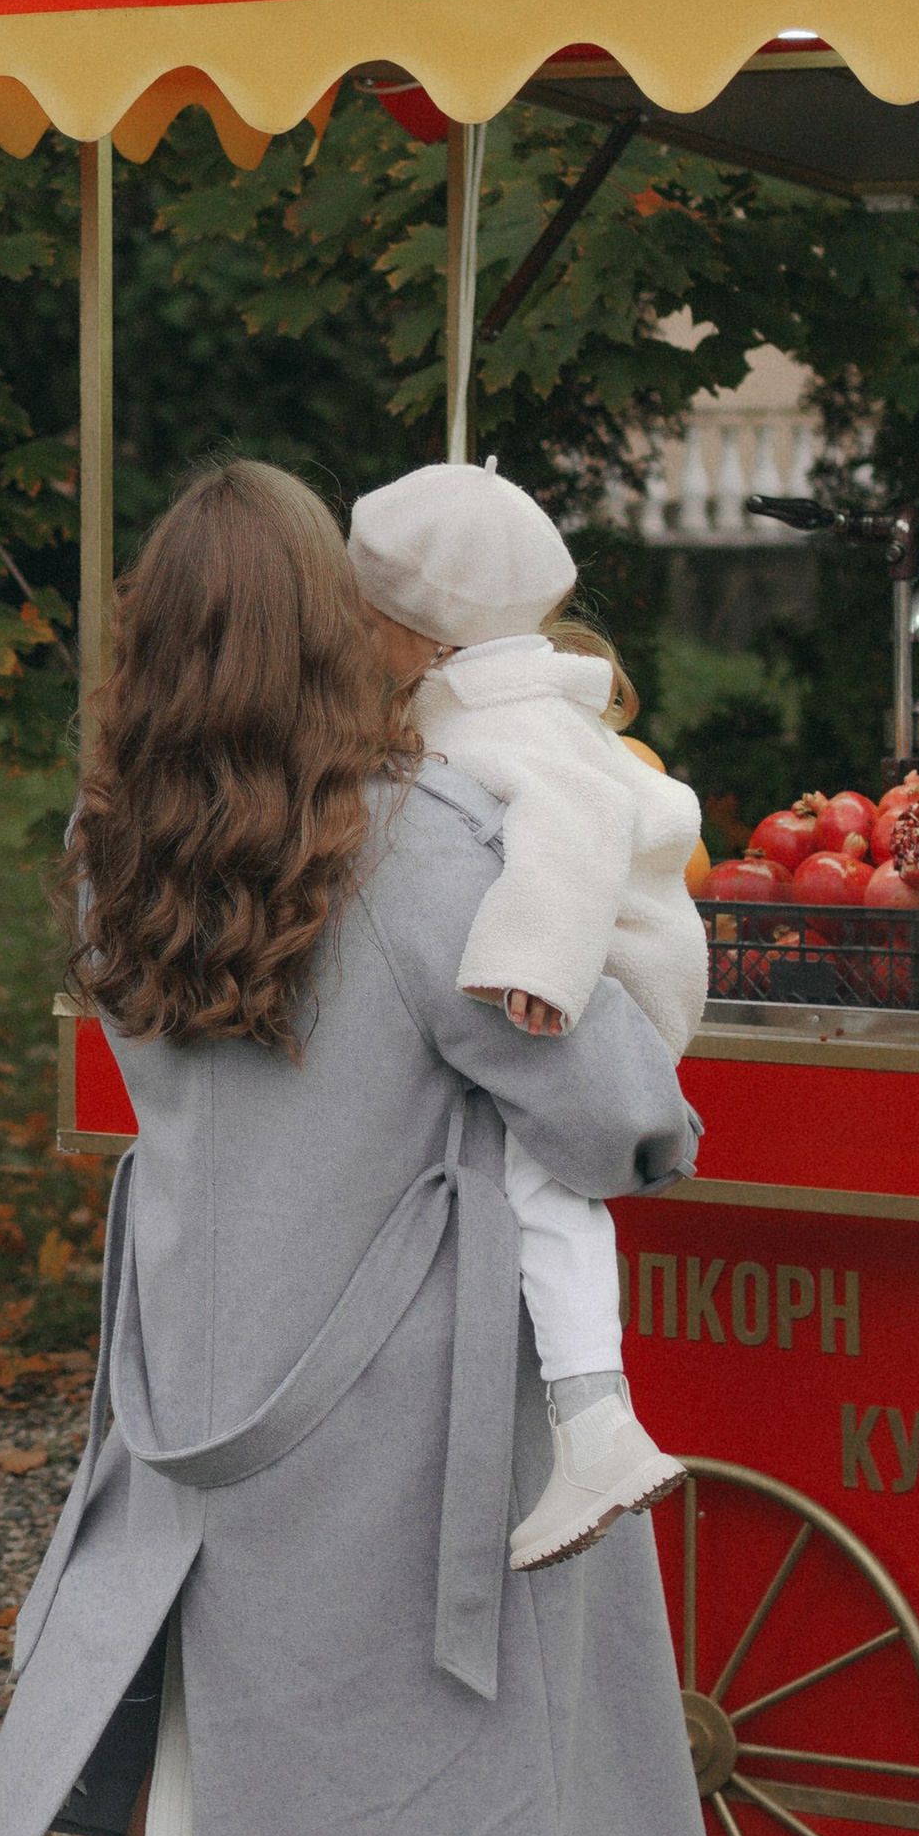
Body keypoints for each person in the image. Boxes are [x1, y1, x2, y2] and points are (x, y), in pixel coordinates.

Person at [0, 460, 713, 1836]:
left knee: (194, 1776)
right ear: (340, 631)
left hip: (195, 1386)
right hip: (412, 1398)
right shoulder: (433, 844)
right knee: (449, 1766)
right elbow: (613, 1115)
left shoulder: (105, 848)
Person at [347, 462, 703, 1571]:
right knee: (534, 1182)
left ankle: (595, 1420)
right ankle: (593, 1417)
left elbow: (580, 823)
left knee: (541, 1182)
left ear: (419, 628)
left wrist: (535, 966)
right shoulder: (498, 692)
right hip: (594, 964)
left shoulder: (506, 716)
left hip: (608, 976)